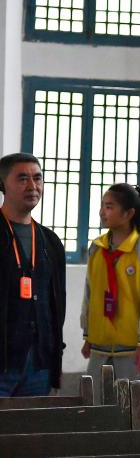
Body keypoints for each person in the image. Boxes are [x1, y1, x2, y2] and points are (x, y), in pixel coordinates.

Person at [81, 184, 140, 385]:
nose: (102, 212)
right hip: (100, 348)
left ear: (129, 213)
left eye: (109, 207)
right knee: (96, 401)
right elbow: (90, 293)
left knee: (131, 402)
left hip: (134, 349)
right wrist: (88, 335)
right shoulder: (97, 248)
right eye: (102, 205)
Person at [0, 153, 65, 396]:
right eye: (22, 178)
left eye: (37, 178)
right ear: (3, 184)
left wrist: (56, 360)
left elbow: (58, 304)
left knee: (33, 422)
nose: (32, 186)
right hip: (3, 362)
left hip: (39, 364)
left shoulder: (50, 241)